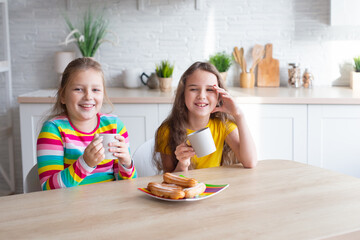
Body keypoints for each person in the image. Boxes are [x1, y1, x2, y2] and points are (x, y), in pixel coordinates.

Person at [37, 58, 136, 190]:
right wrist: (85, 164)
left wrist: (126, 163)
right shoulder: (53, 130)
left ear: (103, 95)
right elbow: (49, 189)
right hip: (69, 207)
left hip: (110, 205)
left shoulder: (115, 126)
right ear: (63, 96)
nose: (88, 96)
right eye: (78, 89)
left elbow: (127, 187)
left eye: (95, 90)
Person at [154, 61, 257, 173]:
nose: (202, 96)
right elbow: (169, 180)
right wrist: (183, 164)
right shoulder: (166, 131)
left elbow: (250, 162)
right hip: (188, 189)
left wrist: (239, 115)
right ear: (183, 94)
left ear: (219, 96)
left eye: (209, 90)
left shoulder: (223, 125)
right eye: (193, 89)